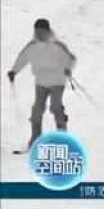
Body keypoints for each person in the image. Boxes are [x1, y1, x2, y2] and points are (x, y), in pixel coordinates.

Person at [7, 19, 77, 148]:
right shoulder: (32, 46)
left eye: (42, 31)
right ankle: (36, 138)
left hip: (57, 80)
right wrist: (14, 71)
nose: (40, 34)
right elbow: (22, 58)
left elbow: (71, 59)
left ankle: (63, 136)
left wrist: (68, 68)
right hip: (40, 81)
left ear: (48, 31)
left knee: (56, 107)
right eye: (37, 31)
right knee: (37, 110)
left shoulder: (58, 45)